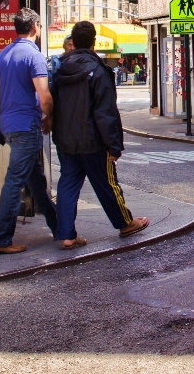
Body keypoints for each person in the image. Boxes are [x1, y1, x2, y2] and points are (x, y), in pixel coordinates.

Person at [51, 21, 148, 250]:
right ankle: (125, 223)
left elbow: (53, 104)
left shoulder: (60, 69)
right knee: (107, 183)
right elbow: (105, 112)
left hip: (66, 139)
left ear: (73, 41)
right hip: (93, 140)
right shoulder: (98, 70)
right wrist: (114, 146)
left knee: (67, 184)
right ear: (93, 42)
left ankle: (66, 234)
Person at [0, 8, 57, 254]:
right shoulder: (33, 56)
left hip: (8, 126)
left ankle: (59, 227)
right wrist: (49, 117)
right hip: (26, 125)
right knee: (14, 182)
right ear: (34, 27)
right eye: (41, 26)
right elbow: (44, 96)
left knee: (35, 180)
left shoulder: (2, 54)